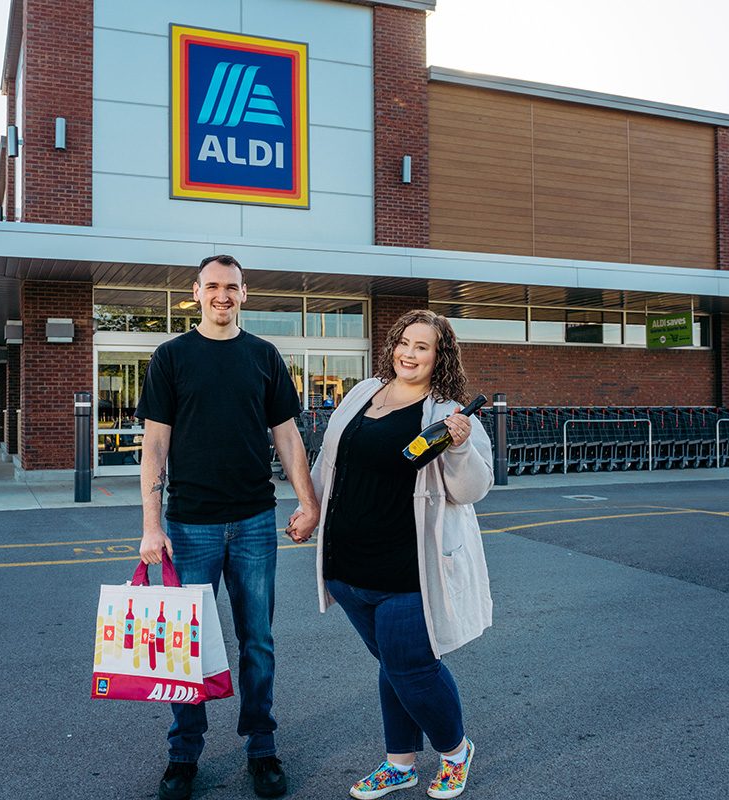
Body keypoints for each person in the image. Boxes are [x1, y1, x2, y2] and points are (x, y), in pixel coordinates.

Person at [137, 254, 319, 800]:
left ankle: (261, 748)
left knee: (257, 642)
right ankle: (183, 754)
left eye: (232, 287)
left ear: (245, 293)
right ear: (195, 292)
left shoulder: (264, 356)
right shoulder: (171, 357)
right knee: (185, 646)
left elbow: (286, 436)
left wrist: (307, 501)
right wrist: (151, 523)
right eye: (212, 286)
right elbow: (155, 445)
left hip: (255, 522)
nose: (222, 295)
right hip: (190, 526)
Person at [310, 309, 493, 800]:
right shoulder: (361, 393)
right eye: (404, 343)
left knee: (411, 666)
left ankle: (455, 751)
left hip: (409, 568)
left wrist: (458, 446)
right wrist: (310, 508)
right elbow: (331, 459)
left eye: (422, 347)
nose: (409, 354)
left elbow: (474, 489)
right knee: (394, 664)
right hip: (347, 567)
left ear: (440, 358)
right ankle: (400, 764)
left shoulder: (447, 415)